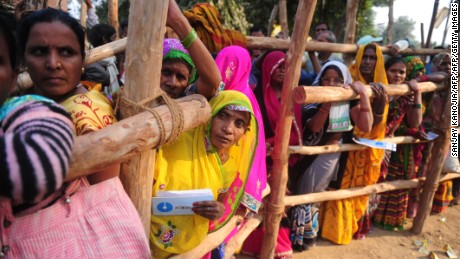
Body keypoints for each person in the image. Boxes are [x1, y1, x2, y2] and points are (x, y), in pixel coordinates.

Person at [17, 8, 150, 256]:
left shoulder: (81, 111)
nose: (53, 63)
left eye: (66, 52)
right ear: (23, 59)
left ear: (82, 59)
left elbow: (101, 199)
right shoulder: (71, 98)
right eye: (39, 51)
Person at [151, 90, 258, 258]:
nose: (228, 129)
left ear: (245, 133)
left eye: (239, 123)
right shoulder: (178, 140)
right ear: (210, 115)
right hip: (147, 233)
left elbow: (220, 203)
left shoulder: (229, 166)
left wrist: (219, 210)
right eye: (222, 115)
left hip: (190, 246)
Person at [291, 61, 373, 250]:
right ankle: (298, 237)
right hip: (308, 155)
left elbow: (365, 126)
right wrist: (329, 101)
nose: (331, 83)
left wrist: (362, 95)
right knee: (303, 191)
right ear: (320, 81)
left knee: (314, 195)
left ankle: (305, 237)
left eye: (337, 79)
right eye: (326, 79)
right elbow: (314, 127)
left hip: (329, 155)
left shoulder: (349, 100)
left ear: (345, 81)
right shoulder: (312, 97)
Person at [0, 15, 74, 218]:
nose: (53, 63)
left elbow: (41, 163)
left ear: (14, 76)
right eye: (39, 52)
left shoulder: (27, 109)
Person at [320, 43, 389, 244]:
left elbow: (376, 123)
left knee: (358, 188)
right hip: (345, 140)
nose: (367, 62)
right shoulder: (348, 78)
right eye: (364, 57)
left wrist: (378, 101)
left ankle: (347, 228)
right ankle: (332, 230)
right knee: (339, 183)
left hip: (370, 146)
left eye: (372, 58)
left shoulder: (383, 83)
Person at [242, 50, 298, 259]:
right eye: (278, 67)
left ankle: (279, 247)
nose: (282, 71)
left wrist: (273, 144)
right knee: (257, 201)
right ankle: (252, 245)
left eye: (286, 67)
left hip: (281, 159)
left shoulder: (291, 96)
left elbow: (295, 130)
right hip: (256, 158)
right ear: (267, 68)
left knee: (277, 204)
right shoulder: (256, 95)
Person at [373, 56, 424, 230]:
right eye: (393, 70)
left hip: (389, 144)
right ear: (385, 71)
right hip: (370, 142)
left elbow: (416, 123)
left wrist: (417, 93)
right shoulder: (376, 89)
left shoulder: (406, 95)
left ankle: (385, 219)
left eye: (401, 72)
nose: (397, 75)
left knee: (388, 179)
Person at [160, 0, 222, 100]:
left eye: (181, 77)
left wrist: (177, 21)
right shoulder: (133, 88)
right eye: (166, 72)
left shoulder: (185, 98)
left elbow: (212, 82)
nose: (172, 83)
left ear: (189, 81)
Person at [84, 23, 120, 98]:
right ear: (105, 39)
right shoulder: (92, 64)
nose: (117, 41)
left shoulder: (112, 60)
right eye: (114, 38)